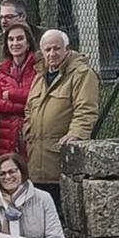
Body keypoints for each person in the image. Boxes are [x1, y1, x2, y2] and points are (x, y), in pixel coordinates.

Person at [24, 30, 99, 215]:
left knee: (65, 216)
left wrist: (76, 134)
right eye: (47, 49)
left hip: (61, 158)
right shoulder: (39, 76)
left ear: (67, 49)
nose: (52, 54)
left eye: (56, 48)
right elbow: (29, 109)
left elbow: (86, 109)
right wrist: (27, 129)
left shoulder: (81, 74)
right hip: (36, 161)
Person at [0, 24, 38, 158]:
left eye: (20, 38)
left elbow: (37, 98)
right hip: (7, 137)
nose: (15, 43)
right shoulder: (1, 71)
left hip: (33, 134)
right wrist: (25, 106)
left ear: (28, 43)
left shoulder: (38, 68)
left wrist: (11, 94)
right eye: (11, 39)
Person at [0, 0, 47, 89]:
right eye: (1, 17)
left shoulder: (46, 37)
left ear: (23, 16)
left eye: (9, 17)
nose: (3, 22)